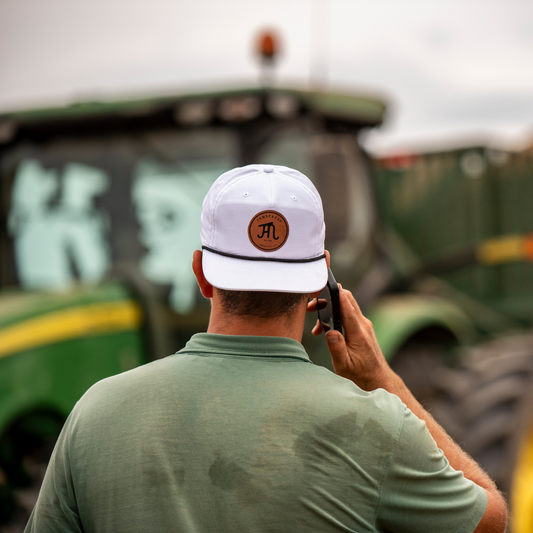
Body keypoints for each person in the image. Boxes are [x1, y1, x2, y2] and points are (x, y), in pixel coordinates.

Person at [25, 164, 507, 533]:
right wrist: (383, 379)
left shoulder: (94, 414)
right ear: (322, 276)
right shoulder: (380, 426)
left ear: (202, 273)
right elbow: (492, 518)